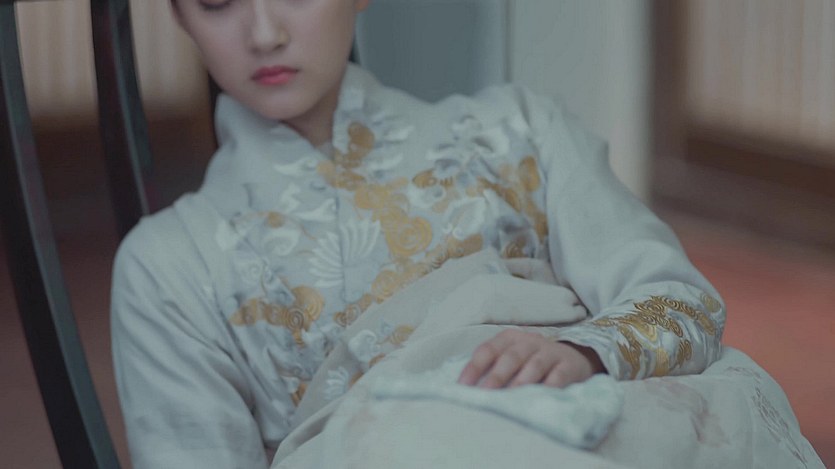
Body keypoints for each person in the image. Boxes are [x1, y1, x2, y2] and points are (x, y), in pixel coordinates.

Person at [110, 1, 822, 468]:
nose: (263, 32)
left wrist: (581, 351)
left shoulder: (518, 133)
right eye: (217, 1)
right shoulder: (168, 263)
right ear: (179, 14)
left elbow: (682, 305)